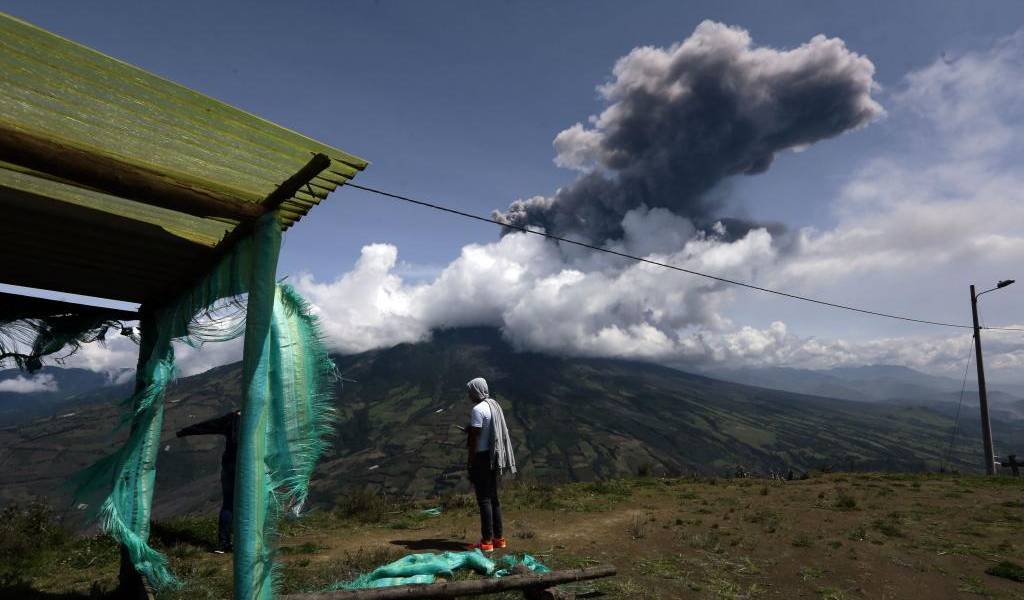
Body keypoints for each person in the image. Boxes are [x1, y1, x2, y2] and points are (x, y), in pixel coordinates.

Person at [177, 410, 240, 554]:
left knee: (228, 505)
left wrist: (184, 432)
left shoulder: (232, 419)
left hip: (230, 467)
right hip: (250, 469)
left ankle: (224, 543)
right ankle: (248, 541)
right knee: (249, 504)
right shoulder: (260, 419)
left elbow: (207, 426)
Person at [464, 377, 516, 553]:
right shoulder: (493, 405)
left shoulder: (477, 410)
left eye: (470, 391)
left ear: (476, 391)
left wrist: (470, 462)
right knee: (493, 498)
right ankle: (499, 539)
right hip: (493, 456)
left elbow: (475, 438)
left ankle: (486, 541)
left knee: (483, 499)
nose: (469, 394)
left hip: (481, 457)